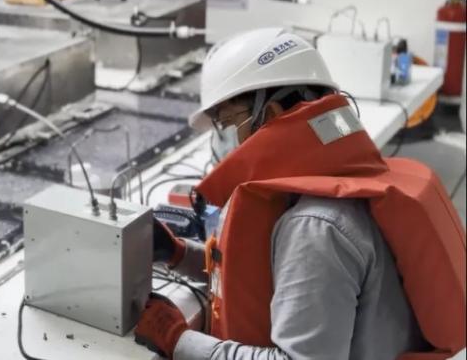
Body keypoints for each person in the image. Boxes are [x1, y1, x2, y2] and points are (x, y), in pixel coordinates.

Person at [133, 28, 466, 360]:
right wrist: (178, 254)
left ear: (271, 115)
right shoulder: (337, 178)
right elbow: (266, 280)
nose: (225, 143)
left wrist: (178, 340)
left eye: (229, 124)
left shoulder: (315, 227)